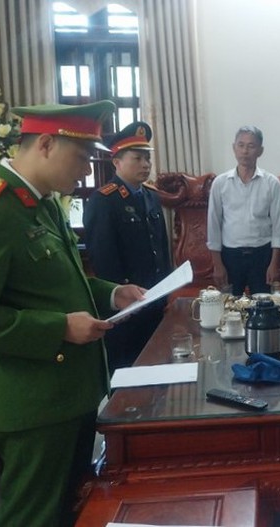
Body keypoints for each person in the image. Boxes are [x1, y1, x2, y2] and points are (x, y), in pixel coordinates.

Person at [0, 100, 145, 527]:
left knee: (67, 512)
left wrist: (113, 294)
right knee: (32, 516)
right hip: (34, 404)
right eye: (81, 159)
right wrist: (58, 328)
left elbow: (61, 285)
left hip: (71, 394)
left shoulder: (43, 205)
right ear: (45, 145)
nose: (86, 172)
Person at [83, 121, 172, 371]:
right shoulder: (104, 200)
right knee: (127, 369)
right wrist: (120, 295)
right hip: (127, 304)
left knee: (157, 364)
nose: (145, 165)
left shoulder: (152, 196)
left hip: (154, 298)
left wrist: (165, 289)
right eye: (138, 158)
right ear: (117, 162)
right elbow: (102, 258)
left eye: (147, 159)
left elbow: (161, 247)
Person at [207, 125, 280, 296]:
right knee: (229, 308)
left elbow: (278, 226)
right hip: (231, 256)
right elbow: (213, 224)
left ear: (260, 150)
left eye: (251, 146)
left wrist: (274, 264)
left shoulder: (272, 183)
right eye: (240, 145)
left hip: (262, 255)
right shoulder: (220, 183)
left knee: (264, 307)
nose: (245, 151)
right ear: (234, 148)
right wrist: (217, 265)